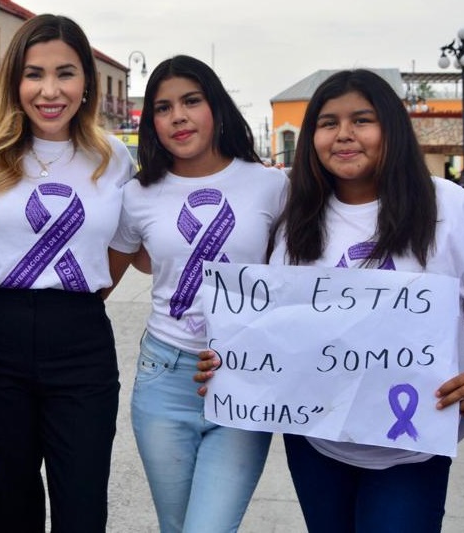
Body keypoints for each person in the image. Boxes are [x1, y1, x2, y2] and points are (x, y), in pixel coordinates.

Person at [196, 69, 464, 532]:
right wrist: (231, 365)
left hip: (412, 447)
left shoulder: (449, 208)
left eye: (362, 120)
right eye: (328, 122)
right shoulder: (297, 217)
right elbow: (271, 323)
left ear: (391, 128)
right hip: (316, 442)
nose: (344, 135)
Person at [0, 15, 133, 532]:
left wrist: (77, 300)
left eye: (65, 73)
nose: (50, 90)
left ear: (86, 81)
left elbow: (120, 248)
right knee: (12, 499)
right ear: (14, 83)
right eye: (34, 74)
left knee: (83, 504)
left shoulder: (112, 157)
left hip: (81, 340)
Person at [107, 55, 288, 532]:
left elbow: (298, 284)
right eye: (163, 108)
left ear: (217, 107)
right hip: (164, 377)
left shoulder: (271, 185)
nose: (178, 116)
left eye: (191, 101)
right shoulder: (138, 195)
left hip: (242, 380)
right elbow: (100, 281)